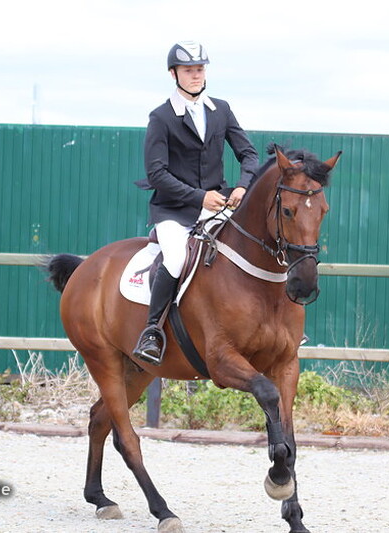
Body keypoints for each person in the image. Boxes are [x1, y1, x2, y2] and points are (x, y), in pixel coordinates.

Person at [132, 40, 259, 365]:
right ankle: (152, 332)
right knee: (175, 259)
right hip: (175, 210)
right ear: (173, 73)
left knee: (249, 249)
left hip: (218, 206)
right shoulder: (161, 117)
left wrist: (244, 185)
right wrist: (200, 196)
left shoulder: (222, 109)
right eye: (189, 70)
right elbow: (157, 174)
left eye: (199, 69)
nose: (196, 76)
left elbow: (248, 153)